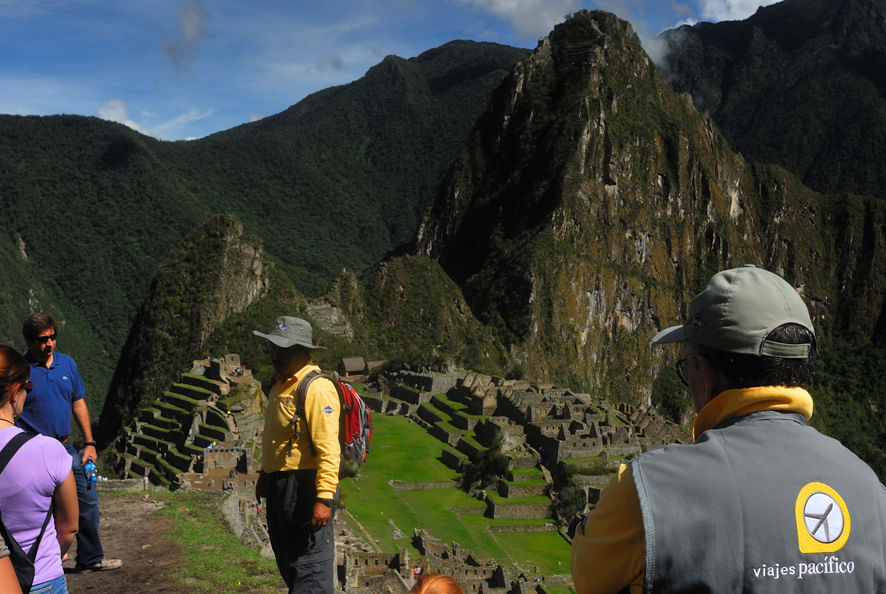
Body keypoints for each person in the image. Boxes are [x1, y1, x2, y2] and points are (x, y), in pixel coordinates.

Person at [571, 265, 886, 593]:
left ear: (704, 375)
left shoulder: (643, 494)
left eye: (688, 366)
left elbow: (588, 577)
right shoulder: (873, 495)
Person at [16, 314, 122, 573]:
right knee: (40, 508)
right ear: (29, 341)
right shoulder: (21, 371)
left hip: (64, 447)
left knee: (87, 500)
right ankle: (40, 564)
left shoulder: (67, 365)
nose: (50, 343)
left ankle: (90, 557)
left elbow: (78, 402)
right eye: (43, 339)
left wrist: (90, 442)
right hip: (33, 448)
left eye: (53, 337)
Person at [253, 316, 340, 593]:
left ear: (304, 352)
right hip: (282, 487)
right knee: (290, 562)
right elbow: (278, 439)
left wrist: (324, 498)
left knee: (310, 567)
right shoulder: (281, 384)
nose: (275, 355)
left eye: (284, 349)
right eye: (272, 348)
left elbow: (329, 448)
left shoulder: (316, 388)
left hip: (305, 488)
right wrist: (266, 475)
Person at [0, 345, 78, 593]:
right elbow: (68, 527)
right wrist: (56, 552)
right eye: (27, 388)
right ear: (14, 393)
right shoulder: (49, 451)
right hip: (42, 577)